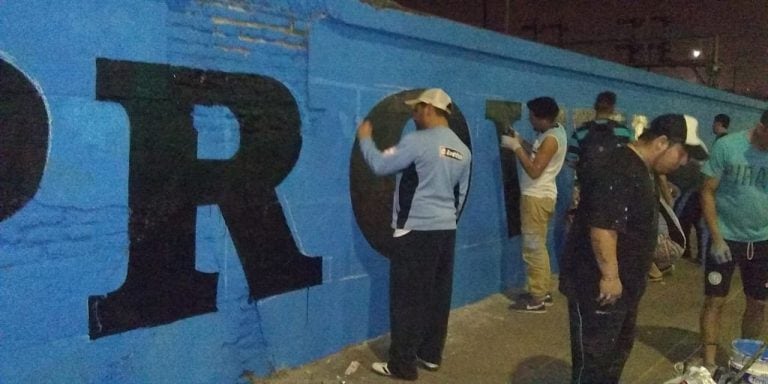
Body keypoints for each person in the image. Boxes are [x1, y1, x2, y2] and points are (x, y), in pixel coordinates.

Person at [560, 114, 708, 383]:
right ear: (662, 142)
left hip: (622, 288)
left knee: (614, 355)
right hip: (597, 288)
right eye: (683, 152)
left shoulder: (640, 168)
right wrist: (610, 276)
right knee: (594, 362)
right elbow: (603, 227)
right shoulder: (619, 167)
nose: (684, 161)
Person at [357, 88, 472, 381]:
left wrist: (365, 139)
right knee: (437, 294)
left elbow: (381, 164)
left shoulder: (417, 141)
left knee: (408, 298)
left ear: (429, 110)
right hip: (446, 230)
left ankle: (402, 365)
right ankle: (431, 355)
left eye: (416, 109)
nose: (413, 114)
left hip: (416, 231)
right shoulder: (462, 149)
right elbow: (459, 196)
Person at [699, 110, 768, 371]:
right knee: (715, 300)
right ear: (760, 127)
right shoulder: (728, 146)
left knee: (758, 303)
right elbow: (706, 190)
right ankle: (708, 363)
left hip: (762, 241)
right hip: (725, 238)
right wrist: (716, 238)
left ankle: (745, 359)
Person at [500, 96, 567, 313]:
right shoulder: (553, 133)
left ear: (543, 118)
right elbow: (539, 156)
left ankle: (537, 300)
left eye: (532, 117)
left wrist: (515, 148)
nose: (529, 120)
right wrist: (521, 141)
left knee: (533, 249)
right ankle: (542, 291)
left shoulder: (551, 139)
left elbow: (534, 170)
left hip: (536, 198)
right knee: (538, 247)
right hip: (541, 197)